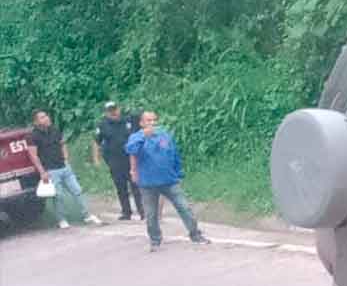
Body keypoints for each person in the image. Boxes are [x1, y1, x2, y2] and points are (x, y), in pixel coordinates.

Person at [124, 111, 210, 251]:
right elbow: (130, 150)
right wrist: (143, 137)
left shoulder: (164, 135)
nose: (152, 123)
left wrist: (178, 173)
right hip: (148, 183)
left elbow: (174, 154)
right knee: (151, 214)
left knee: (184, 207)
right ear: (141, 123)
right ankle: (155, 240)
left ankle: (195, 234)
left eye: (153, 120)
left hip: (169, 180)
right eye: (148, 120)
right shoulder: (136, 137)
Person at [28, 110, 103, 229]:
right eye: (42, 117)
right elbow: (33, 155)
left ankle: (87, 215)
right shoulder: (33, 136)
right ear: (36, 121)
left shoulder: (55, 130)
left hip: (64, 166)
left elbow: (62, 144)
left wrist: (66, 159)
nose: (46, 118)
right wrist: (42, 172)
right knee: (59, 196)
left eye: (46, 115)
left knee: (78, 190)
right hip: (50, 170)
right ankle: (62, 219)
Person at [92, 101, 144, 220]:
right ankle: (126, 212)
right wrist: (96, 159)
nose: (113, 112)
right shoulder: (103, 125)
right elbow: (96, 142)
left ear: (119, 109)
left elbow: (143, 128)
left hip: (131, 159)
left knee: (136, 185)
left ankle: (143, 212)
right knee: (121, 187)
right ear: (106, 113)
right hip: (114, 160)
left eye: (115, 109)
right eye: (110, 111)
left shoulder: (129, 120)